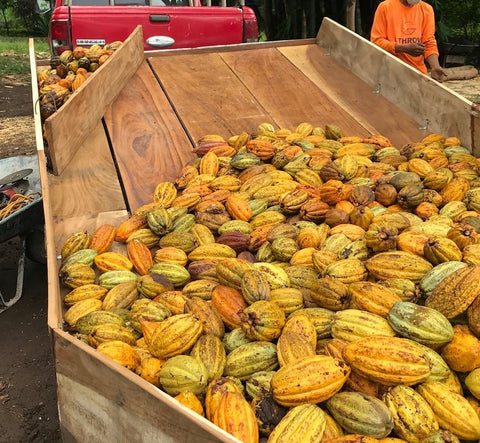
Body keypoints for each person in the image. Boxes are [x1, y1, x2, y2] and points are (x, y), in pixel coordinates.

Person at [370, 0, 447, 82]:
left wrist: (435, 66)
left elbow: (429, 42)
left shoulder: (426, 9)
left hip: (417, 74)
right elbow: (376, 42)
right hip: (389, 72)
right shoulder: (385, 7)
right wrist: (403, 48)